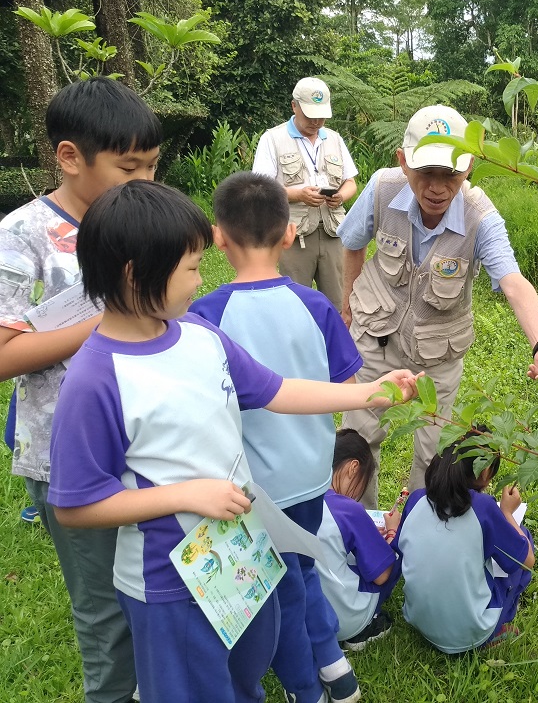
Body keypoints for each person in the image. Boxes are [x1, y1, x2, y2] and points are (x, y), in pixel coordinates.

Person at [46, 180, 418, 703]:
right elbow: (75, 506)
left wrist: (363, 391)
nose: (201, 280)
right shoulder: (95, 379)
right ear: (136, 274)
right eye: (191, 268)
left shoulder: (200, 335)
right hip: (171, 585)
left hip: (242, 554)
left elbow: (276, 390)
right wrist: (185, 496)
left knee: (244, 679)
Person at [0, 76, 161, 703]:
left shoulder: (143, 222)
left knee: (155, 589)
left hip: (150, 441)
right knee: (105, 612)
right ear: (70, 157)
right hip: (72, 457)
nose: (145, 181)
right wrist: (108, 317)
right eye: (129, 167)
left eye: (152, 166)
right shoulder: (24, 235)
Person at [189, 171, 363, 703]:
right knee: (301, 571)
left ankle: (306, 690)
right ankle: (336, 671)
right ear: (290, 234)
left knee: (277, 590)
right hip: (312, 474)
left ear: (218, 236)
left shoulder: (205, 316)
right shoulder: (315, 306)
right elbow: (346, 383)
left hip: (255, 489)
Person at [338, 104, 538, 507]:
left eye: (451, 175)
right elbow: (353, 243)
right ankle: (360, 530)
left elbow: (514, 283)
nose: (438, 188)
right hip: (373, 339)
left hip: (437, 356)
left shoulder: (482, 218)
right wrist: (347, 304)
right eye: (427, 173)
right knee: (357, 442)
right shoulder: (381, 188)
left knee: (431, 450)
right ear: (404, 162)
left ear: (470, 167)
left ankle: (416, 535)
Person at [393, 431, 534, 653]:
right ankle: (495, 629)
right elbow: (527, 561)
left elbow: (402, 548)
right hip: (471, 632)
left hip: (419, 620)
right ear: (485, 471)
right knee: (523, 539)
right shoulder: (485, 508)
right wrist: (507, 513)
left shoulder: (416, 499)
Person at [252, 77, 358, 311]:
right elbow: (261, 189)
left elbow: (350, 182)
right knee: (295, 304)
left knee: (340, 303)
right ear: (294, 106)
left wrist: (341, 196)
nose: (316, 121)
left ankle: (335, 346)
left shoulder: (334, 139)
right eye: (310, 114)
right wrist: (298, 194)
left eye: (321, 115)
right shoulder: (273, 139)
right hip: (294, 234)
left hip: (333, 232)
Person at [316, 428, 401, 650]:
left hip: (307, 618)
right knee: (393, 556)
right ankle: (365, 628)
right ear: (354, 468)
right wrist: (392, 533)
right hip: (345, 621)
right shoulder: (348, 509)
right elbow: (382, 575)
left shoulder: (297, 495)